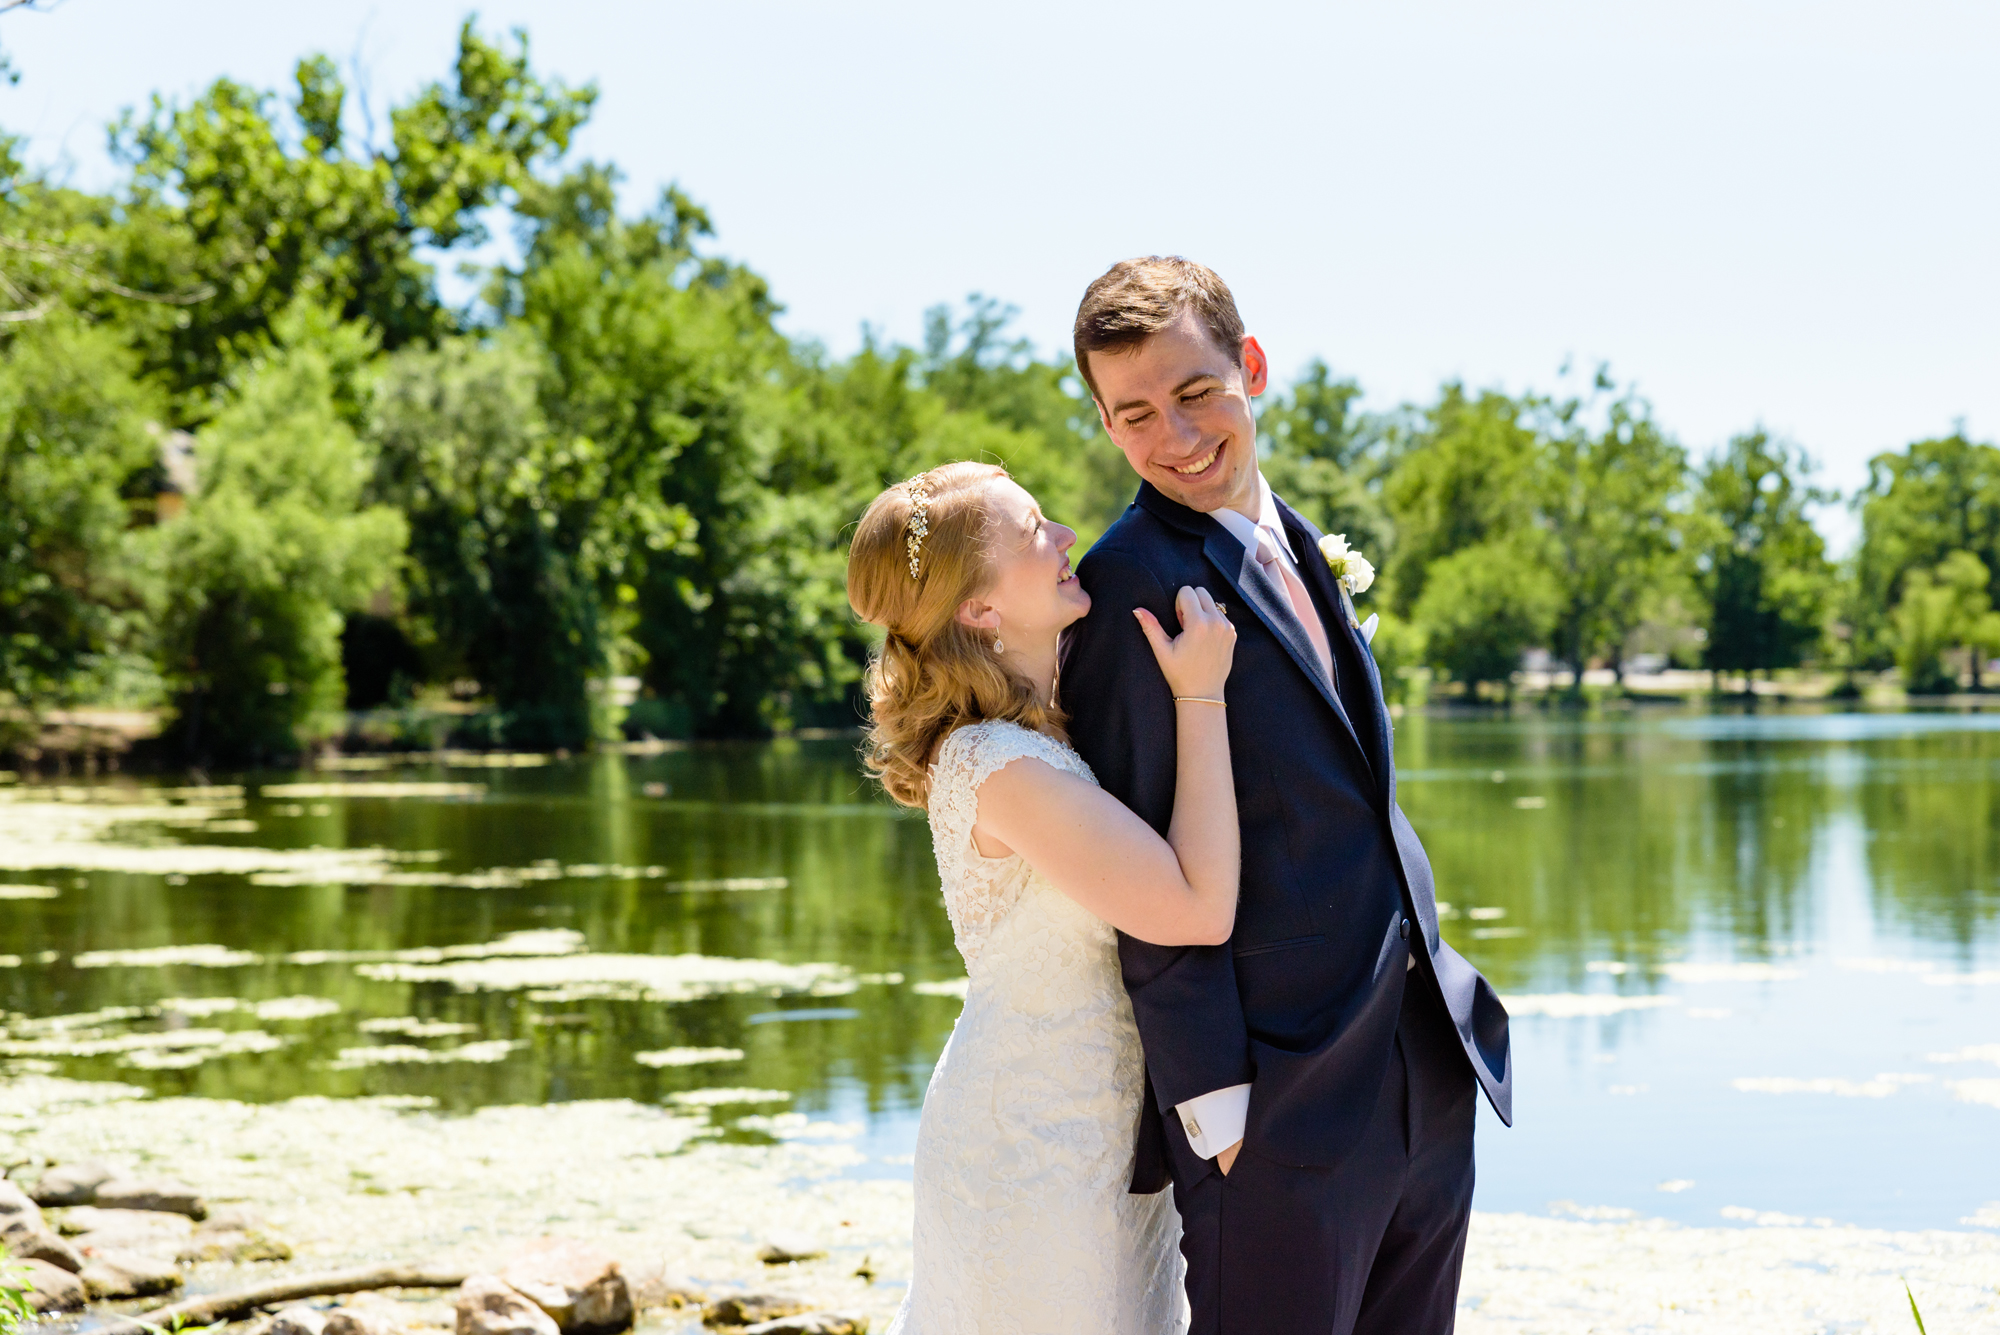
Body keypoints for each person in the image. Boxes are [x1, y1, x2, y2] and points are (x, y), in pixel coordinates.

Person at [1059, 257, 1514, 1335]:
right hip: (1276, 1110)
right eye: (1133, 415)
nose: (1173, 436)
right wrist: (1214, 1106)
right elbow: (1144, 868)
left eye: (1195, 393)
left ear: (1249, 367)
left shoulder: (1298, 541)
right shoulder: (1128, 583)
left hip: (1421, 1073)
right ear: (1104, 425)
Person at [847, 459, 1240, 1335]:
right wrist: (1203, 690)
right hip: (1032, 1150)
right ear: (979, 610)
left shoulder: (1034, 734)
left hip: (1093, 1135)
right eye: (1034, 531)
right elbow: (1196, 906)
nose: (1067, 537)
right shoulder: (1003, 764)